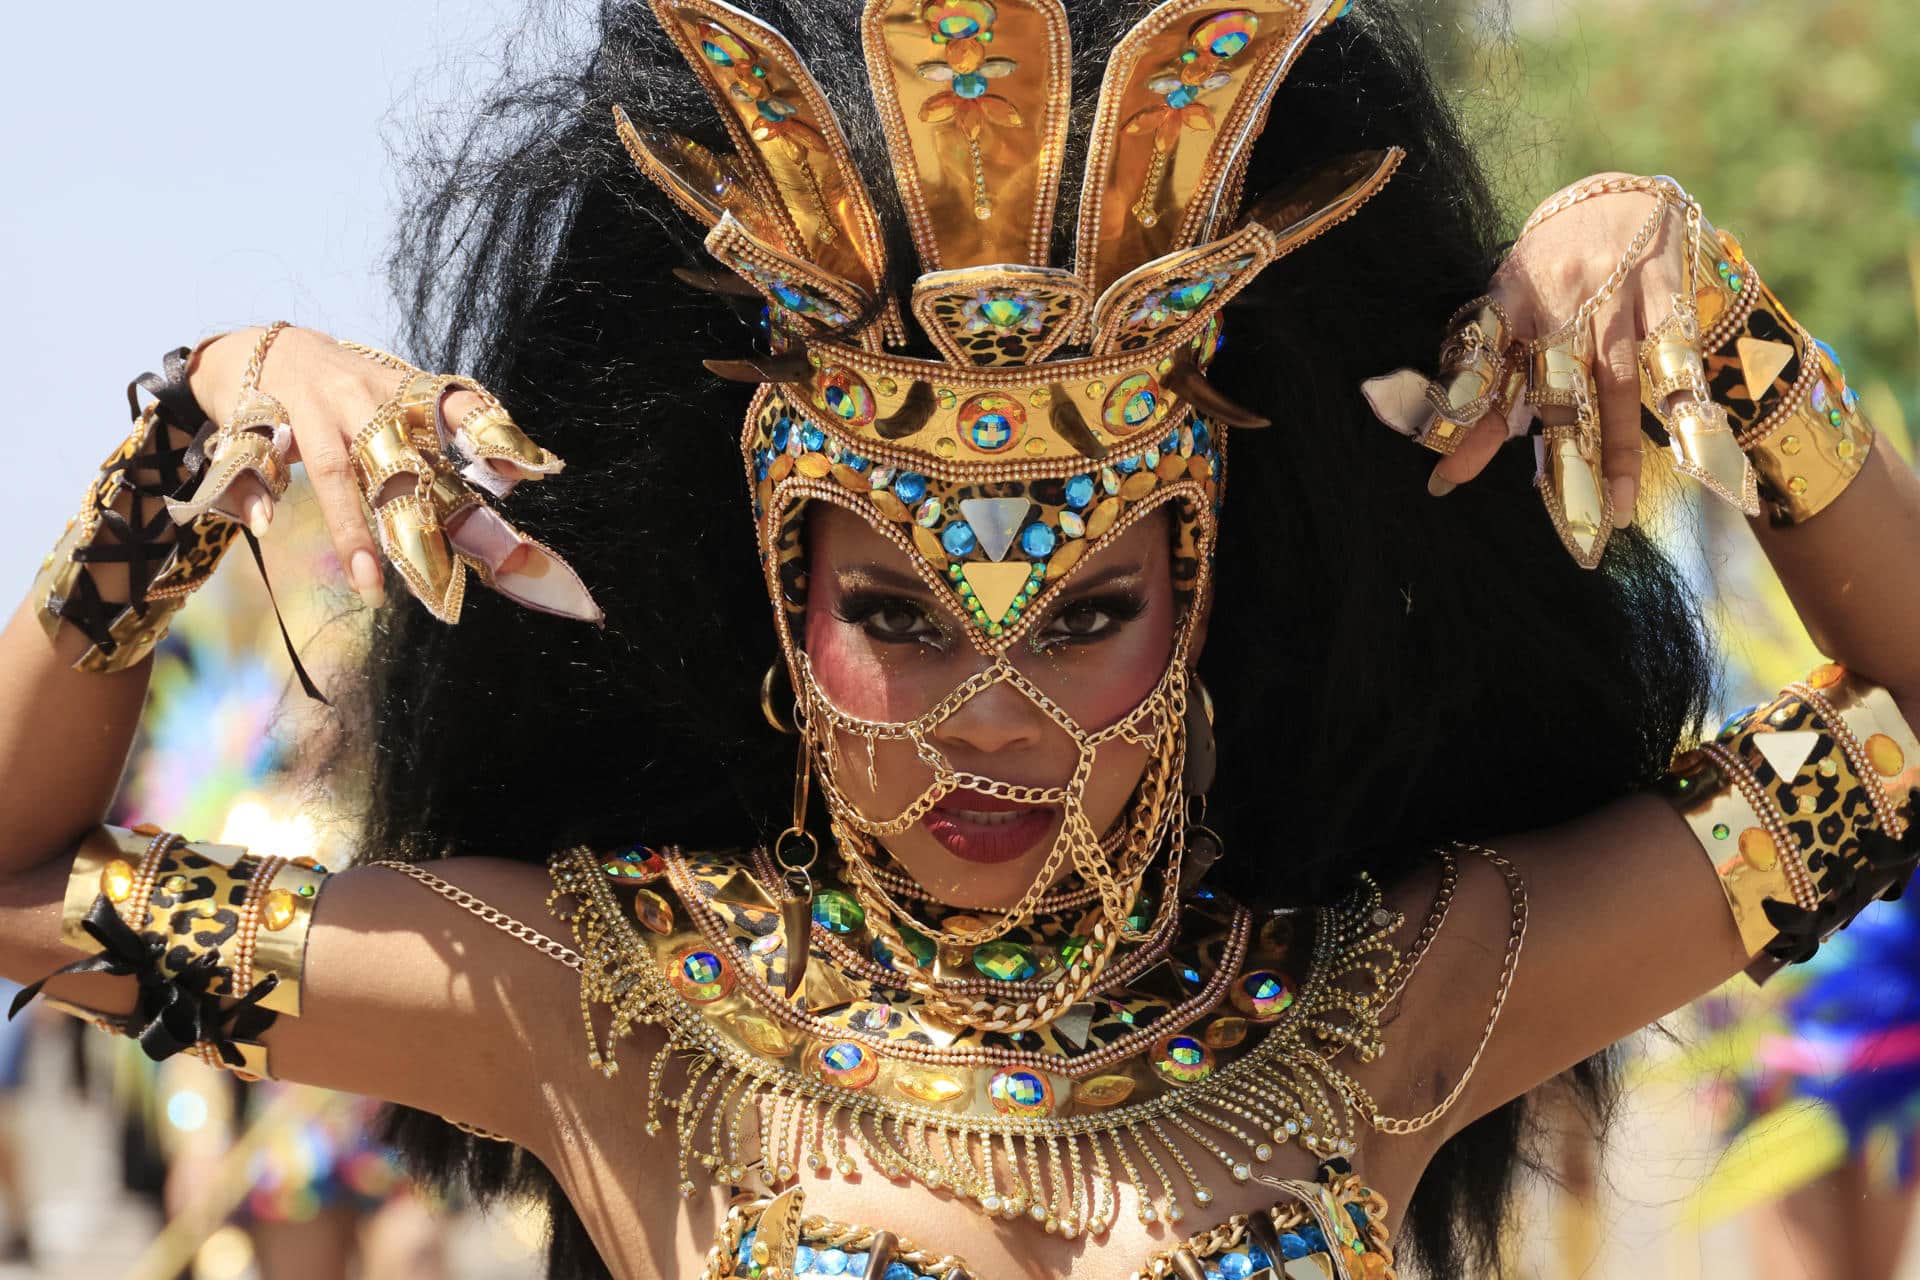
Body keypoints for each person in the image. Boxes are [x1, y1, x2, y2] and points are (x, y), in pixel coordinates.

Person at [2, 2, 1917, 1278]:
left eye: (1084, 614)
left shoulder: (1382, 1006)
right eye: (897, 618)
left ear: (1200, 608)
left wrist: (1719, 323)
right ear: (779, 612)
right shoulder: (606, 1003)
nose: (991, 718)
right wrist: (197, 434)